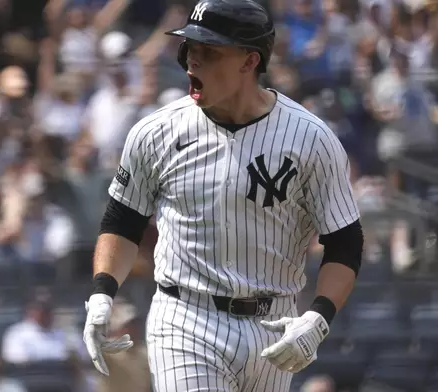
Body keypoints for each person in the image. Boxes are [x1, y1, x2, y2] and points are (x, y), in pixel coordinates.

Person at [82, 1, 364, 392]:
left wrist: (318, 317)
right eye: (189, 50)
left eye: (208, 53)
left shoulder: (310, 138)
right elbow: (123, 222)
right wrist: (101, 293)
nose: (191, 63)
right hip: (185, 317)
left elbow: (344, 243)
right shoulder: (155, 132)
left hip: (273, 325)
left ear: (249, 61)